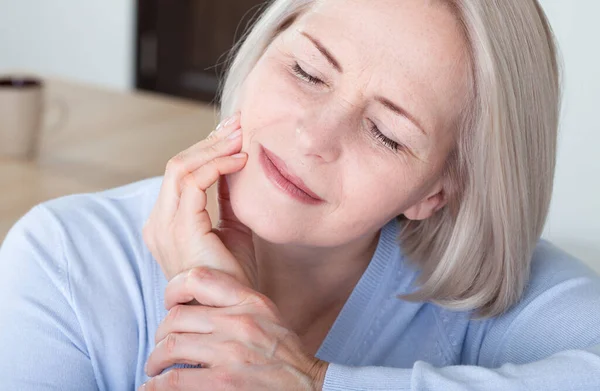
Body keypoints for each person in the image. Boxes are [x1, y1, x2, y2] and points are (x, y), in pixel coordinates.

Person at [1, 0, 600, 389]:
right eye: (308, 72)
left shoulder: (490, 294)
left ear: (439, 190)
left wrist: (310, 383)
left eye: (387, 134)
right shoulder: (63, 259)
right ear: (264, 49)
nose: (314, 136)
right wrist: (212, 311)